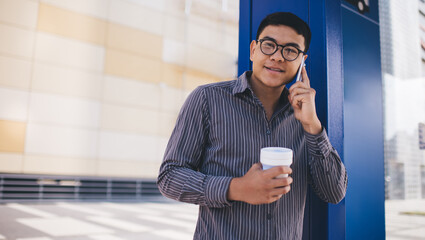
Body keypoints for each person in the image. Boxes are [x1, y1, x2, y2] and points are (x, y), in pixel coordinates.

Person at [157, 12, 347, 240]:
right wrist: (237, 188)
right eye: (269, 45)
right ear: (253, 50)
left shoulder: (305, 115)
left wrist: (312, 125)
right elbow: (169, 177)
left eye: (290, 50)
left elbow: (334, 192)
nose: (277, 57)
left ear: (302, 61)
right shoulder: (207, 99)